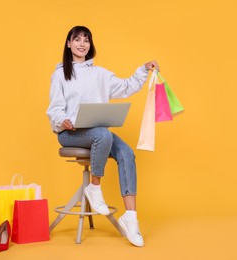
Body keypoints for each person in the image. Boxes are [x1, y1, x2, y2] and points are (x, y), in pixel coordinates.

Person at [46, 25, 158, 247]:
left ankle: (131, 218)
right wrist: (62, 120)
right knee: (103, 135)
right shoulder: (60, 74)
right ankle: (94, 188)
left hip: (97, 133)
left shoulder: (100, 74)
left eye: (86, 40)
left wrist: (143, 70)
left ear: (90, 44)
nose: (82, 44)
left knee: (126, 152)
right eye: (77, 39)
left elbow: (126, 87)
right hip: (70, 134)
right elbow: (55, 108)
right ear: (68, 43)